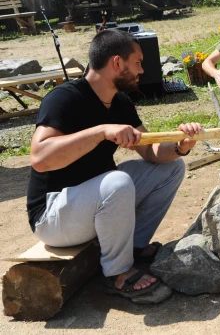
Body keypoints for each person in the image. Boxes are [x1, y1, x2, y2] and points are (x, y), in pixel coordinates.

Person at [27, 29, 202, 298]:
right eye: (138, 62)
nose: (142, 70)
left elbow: (151, 150)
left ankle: (132, 246)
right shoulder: (63, 98)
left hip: (90, 203)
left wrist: (180, 147)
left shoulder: (119, 101)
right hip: (52, 216)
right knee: (118, 182)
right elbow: (39, 159)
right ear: (117, 63)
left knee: (172, 167)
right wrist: (101, 131)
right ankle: (118, 274)